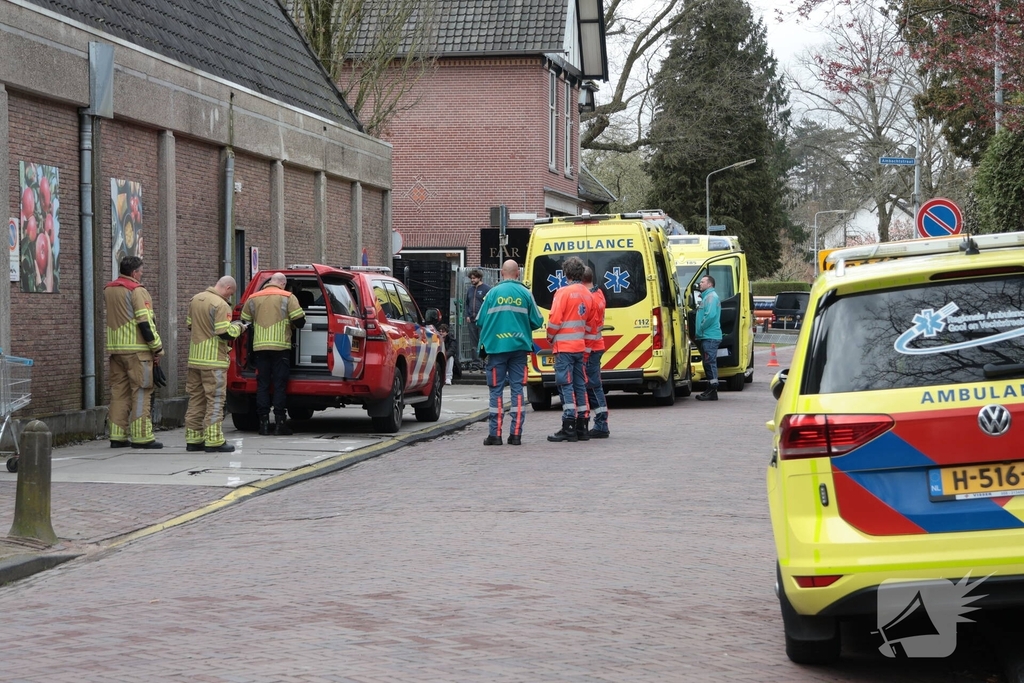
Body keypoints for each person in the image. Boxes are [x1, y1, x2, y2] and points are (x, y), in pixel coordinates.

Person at [476, 259, 544, 446]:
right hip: (519, 349)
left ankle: (495, 434)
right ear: (517, 274)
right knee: (517, 390)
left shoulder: (492, 293)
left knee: (496, 391)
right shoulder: (525, 293)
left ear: (502, 273)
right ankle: (516, 435)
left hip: (496, 348)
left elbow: (480, 320)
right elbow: (538, 321)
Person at [104, 256, 164, 449]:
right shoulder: (137, 291)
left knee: (119, 393)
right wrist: (157, 347)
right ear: (134, 272)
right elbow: (145, 322)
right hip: (138, 351)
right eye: (140, 271)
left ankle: (117, 436)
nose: (141, 275)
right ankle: (141, 436)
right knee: (141, 392)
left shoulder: (109, 289)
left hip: (116, 350)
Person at [185, 276, 246, 452]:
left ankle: (193, 439)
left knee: (196, 399)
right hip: (213, 360)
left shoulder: (195, 299)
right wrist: (239, 327)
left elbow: (190, 325)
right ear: (227, 288)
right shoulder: (221, 305)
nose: (230, 296)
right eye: (231, 293)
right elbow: (224, 332)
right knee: (215, 400)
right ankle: (214, 440)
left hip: (195, 359)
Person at [241, 272, 306, 436]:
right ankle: (279, 424)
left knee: (262, 385)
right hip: (281, 347)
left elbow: (244, 321)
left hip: (260, 348)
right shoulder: (288, 297)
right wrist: (290, 324)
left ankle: (263, 424)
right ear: (283, 283)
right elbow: (300, 321)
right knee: (279, 385)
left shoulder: (253, 297)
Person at [546, 256, 593, 443]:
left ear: (566, 273)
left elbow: (554, 320)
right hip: (579, 347)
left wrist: (550, 337)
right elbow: (590, 324)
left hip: (564, 348)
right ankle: (582, 426)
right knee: (580, 386)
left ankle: (569, 426)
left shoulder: (562, 293)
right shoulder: (588, 294)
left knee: (565, 385)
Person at [582, 266, 609, 438]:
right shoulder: (599, 293)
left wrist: (584, 352)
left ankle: (601, 423)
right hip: (596, 346)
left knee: (592, 386)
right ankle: (601, 421)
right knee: (594, 385)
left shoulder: (589, 298)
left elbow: (590, 328)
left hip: (590, 347)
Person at [695, 274, 723, 402]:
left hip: (709, 336)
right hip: (707, 335)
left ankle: (712, 388)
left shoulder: (711, 297)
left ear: (710, 284)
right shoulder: (707, 297)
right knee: (707, 362)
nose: (700, 284)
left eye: (702, 282)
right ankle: (711, 390)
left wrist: (701, 327)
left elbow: (710, 316)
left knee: (709, 362)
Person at [464, 269, 490, 367]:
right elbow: (467, 303)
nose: (472, 280)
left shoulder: (486, 289)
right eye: (471, 278)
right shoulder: (470, 290)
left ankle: (484, 362)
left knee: (483, 341)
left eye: (474, 278)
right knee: (473, 342)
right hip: (471, 320)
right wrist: (467, 315)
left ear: (479, 278)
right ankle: (476, 362)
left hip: (483, 320)